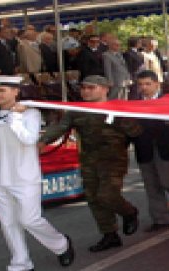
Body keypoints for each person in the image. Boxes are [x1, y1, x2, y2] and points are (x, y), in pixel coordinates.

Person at [0, 76, 74, 271]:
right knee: (8, 222)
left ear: (16, 92)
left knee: (30, 219)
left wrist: (15, 117)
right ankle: (20, 263)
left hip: (25, 176)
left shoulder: (31, 113)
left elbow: (29, 139)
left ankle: (61, 244)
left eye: (2, 90)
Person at [40, 75, 142, 252]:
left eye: (91, 88)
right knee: (94, 199)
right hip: (88, 159)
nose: (86, 91)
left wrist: (120, 119)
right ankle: (109, 234)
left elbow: (136, 131)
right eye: (83, 88)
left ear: (105, 89)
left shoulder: (117, 109)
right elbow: (60, 127)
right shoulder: (76, 111)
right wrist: (42, 142)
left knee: (107, 195)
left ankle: (129, 212)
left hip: (113, 160)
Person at [132, 70, 169, 232]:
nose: (143, 88)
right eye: (140, 85)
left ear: (157, 84)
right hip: (144, 148)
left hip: (167, 148)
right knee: (151, 185)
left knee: (168, 181)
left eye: (147, 84)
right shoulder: (134, 103)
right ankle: (160, 219)